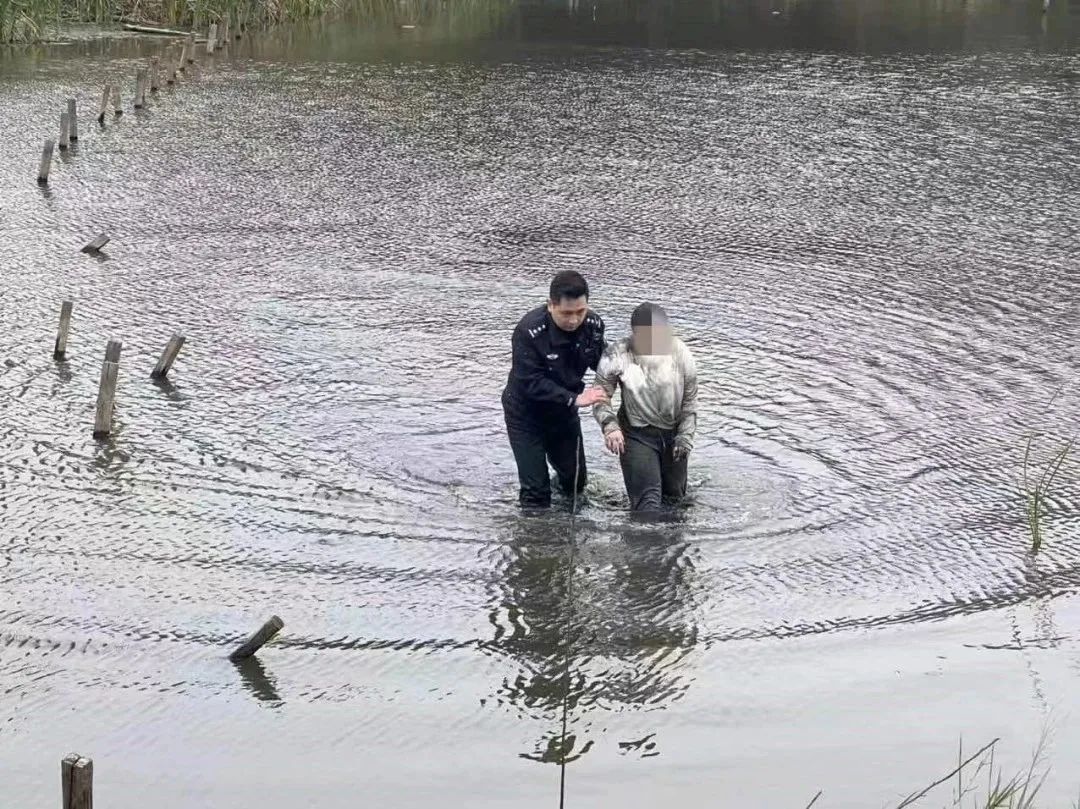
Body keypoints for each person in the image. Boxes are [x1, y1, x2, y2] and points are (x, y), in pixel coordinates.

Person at [502, 271, 608, 508]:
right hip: (526, 415)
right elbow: (530, 381)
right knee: (536, 494)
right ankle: (534, 539)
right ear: (551, 305)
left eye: (580, 312)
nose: (574, 320)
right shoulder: (529, 331)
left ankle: (563, 525)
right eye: (566, 313)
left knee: (575, 485)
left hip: (563, 414)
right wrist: (575, 399)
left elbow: (604, 363)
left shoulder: (593, 325)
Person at [592, 303, 698, 513]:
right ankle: (641, 544)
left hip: (673, 433)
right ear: (634, 335)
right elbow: (600, 396)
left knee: (675, 503)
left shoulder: (682, 354)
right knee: (647, 507)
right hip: (636, 434)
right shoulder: (617, 354)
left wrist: (685, 437)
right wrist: (610, 427)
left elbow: (690, 402)